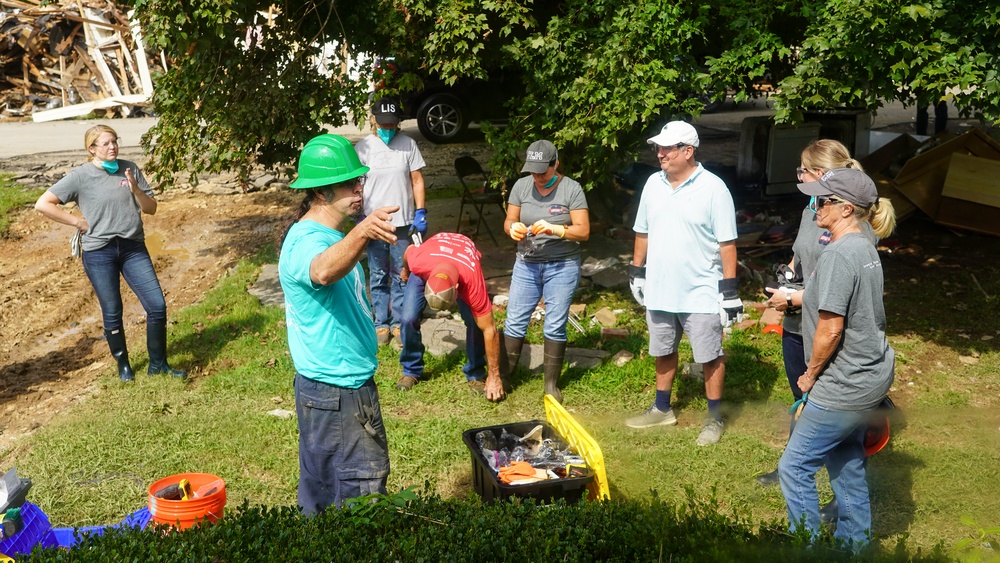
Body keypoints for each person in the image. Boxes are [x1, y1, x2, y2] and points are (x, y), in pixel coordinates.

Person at [277, 133, 398, 513]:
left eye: (359, 180)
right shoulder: (305, 241)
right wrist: (363, 231)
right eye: (349, 182)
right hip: (337, 393)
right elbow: (322, 271)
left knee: (325, 488)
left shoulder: (326, 234)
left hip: (333, 389)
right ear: (321, 192)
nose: (358, 189)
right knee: (358, 493)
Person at [777, 167, 897, 548]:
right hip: (870, 377)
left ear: (846, 209)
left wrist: (810, 374)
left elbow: (831, 329)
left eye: (822, 201)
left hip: (844, 383)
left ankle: (808, 548)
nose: (815, 207)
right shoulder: (864, 245)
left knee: (794, 467)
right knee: (846, 462)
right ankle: (854, 547)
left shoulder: (839, 255)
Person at [34, 124, 186, 382]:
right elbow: (43, 204)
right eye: (105, 143)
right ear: (91, 148)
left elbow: (151, 209)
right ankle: (124, 365)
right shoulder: (80, 176)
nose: (112, 146)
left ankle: (158, 364)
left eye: (114, 141)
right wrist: (77, 222)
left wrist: (136, 189)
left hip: (132, 248)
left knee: (157, 306)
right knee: (113, 310)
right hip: (99, 253)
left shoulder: (130, 168)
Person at [757, 139, 867, 487]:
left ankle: (843, 487)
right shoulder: (813, 208)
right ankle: (793, 463)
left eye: (803, 169)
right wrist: (788, 277)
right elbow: (801, 254)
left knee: (832, 410)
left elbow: (839, 289)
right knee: (800, 397)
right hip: (796, 326)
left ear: (820, 173)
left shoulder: (853, 221)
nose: (799, 175)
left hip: (826, 326)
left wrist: (794, 298)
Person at [625, 121, 741, 446]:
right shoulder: (652, 184)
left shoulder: (714, 189)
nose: (660, 153)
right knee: (663, 350)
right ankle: (662, 409)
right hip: (660, 289)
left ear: (688, 151)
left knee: (709, 356)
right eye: (658, 148)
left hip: (701, 290)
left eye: (667, 148)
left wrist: (729, 291)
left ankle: (714, 418)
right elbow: (642, 231)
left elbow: (727, 244)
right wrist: (637, 271)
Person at [501, 140, 590, 403]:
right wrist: (512, 229)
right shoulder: (521, 186)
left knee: (554, 324)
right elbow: (509, 220)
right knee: (515, 319)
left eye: (543, 171)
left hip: (562, 266)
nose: (538, 177)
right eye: (533, 171)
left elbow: (583, 231)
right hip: (527, 263)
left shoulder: (572, 189)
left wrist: (557, 229)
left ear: (556, 165)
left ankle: (551, 383)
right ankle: (506, 376)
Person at [395, 232, 505, 402]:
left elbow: (490, 329)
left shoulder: (471, 280)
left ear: (457, 289)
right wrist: (406, 269)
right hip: (431, 257)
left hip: (462, 259)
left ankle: (476, 372)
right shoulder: (418, 262)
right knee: (408, 318)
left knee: (474, 322)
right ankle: (411, 370)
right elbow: (408, 250)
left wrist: (495, 376)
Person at [355, 97, 427, 347]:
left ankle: (399, 322)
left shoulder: (408, 145)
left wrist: (421, 212)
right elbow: (357, 186)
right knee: (377, 274)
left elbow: (417, 180)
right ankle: (380, 323)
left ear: (398, 122)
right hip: (374, 223)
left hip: (404, 223)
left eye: (392, 124)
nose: (387, 129)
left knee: (401, 273)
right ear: (373, 120)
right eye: (383, 124)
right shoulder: (363, 149)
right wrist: (359, 216)